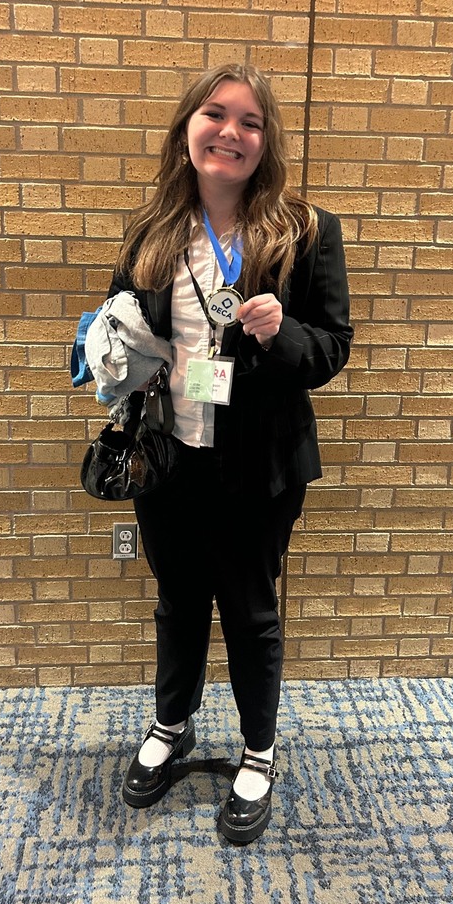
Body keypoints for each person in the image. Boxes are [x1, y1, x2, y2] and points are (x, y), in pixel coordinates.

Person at [101, 62, 353, 843]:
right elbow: (124, 324)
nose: (231, 132)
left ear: (265, 142)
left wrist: (285, 334)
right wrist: (104, 345)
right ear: (187, 132)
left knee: (250, 612)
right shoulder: (151, 231)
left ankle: (258, 750)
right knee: (178, 603)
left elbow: (332, 348)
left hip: (257, 465)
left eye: (250, 121)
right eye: (215, 114)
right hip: (166, 456)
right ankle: (171, 725)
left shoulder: (305, 230)